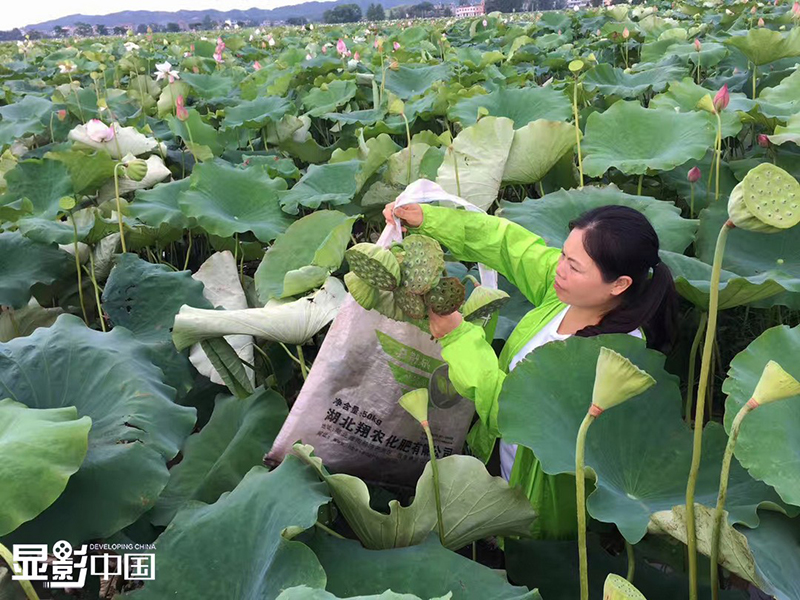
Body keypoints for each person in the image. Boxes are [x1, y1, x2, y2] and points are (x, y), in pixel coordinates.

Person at [383, 199, 679, 540]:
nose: (559, 268)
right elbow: (510, 245)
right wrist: (431, 220)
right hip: (500, 465)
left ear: (619, 284)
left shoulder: (612, 362)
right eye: (563, 255)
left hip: (540, 511)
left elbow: (508, 413)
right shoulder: (568, 296)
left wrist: (458, 336)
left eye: (574, 266)